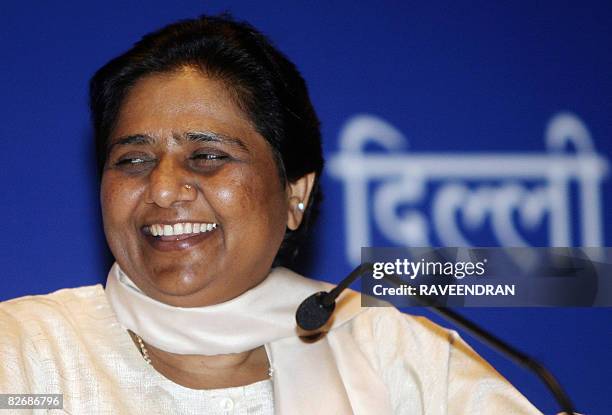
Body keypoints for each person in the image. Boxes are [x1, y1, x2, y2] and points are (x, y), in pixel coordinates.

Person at [0, 14, 541, 414]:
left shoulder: (394, 356)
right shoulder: (31, 354)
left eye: (207, 157)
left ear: (294, 194)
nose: (163, 191)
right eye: (133, 160)